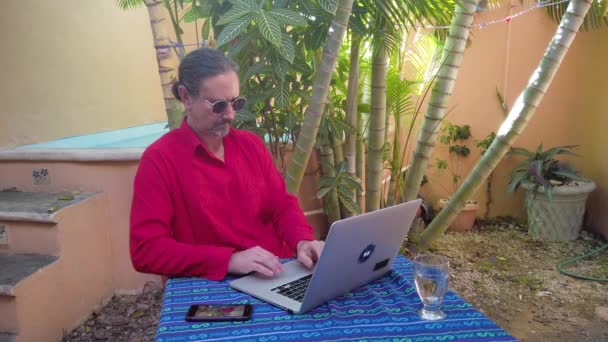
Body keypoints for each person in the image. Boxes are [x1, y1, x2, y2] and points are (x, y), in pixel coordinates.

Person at [130, 48, 324, 281]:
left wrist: (302, 241)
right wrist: (228, 260)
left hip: (275, 273)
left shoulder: (251, 145)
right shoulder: (160, 160)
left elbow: (282, 207)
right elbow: (146, 250)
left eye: (236, 103)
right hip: (213, 283)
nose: (231, 115)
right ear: (186, 97)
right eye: (219, 105)